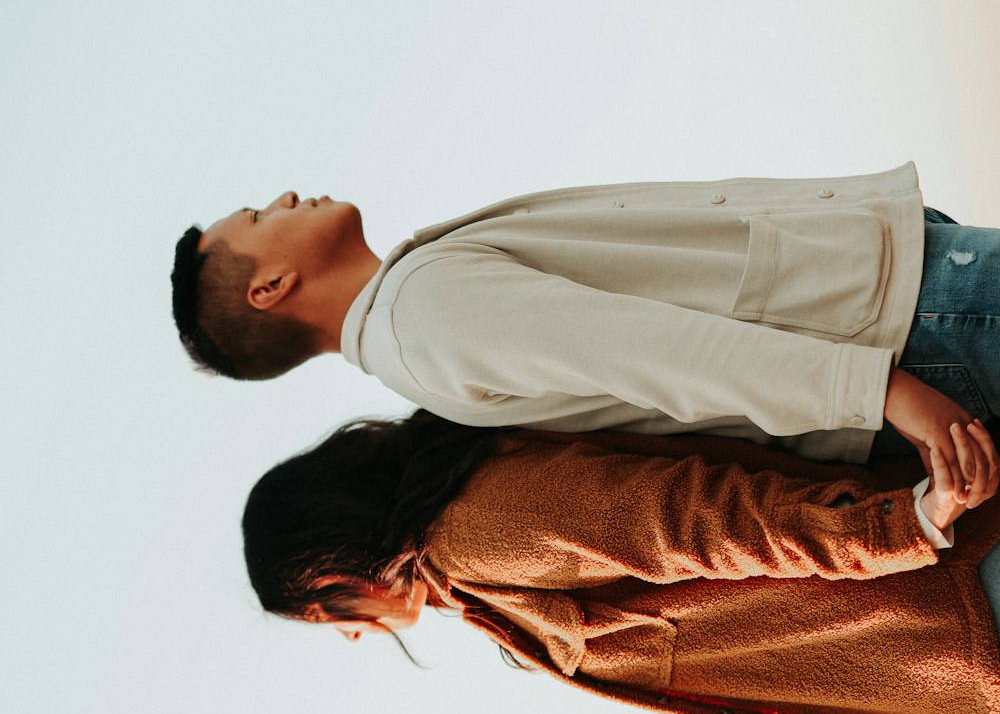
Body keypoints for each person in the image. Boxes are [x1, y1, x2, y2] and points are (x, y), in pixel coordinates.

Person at [242, 410, 1000, 714]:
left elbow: (691, 521)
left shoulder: (475, 533)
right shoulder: (470, 579)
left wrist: (903, 525)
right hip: (942, 625)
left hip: (952, 597)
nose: (346, 635)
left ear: (328, 568)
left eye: (321, 615)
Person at [172, 163, 1000, 487]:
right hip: (903, 328)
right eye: (255, 216)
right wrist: (882, 390)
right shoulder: (418, 318)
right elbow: (657, 354)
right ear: (270, 288)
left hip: (892, 307)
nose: (281, 199)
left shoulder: (410, 316)